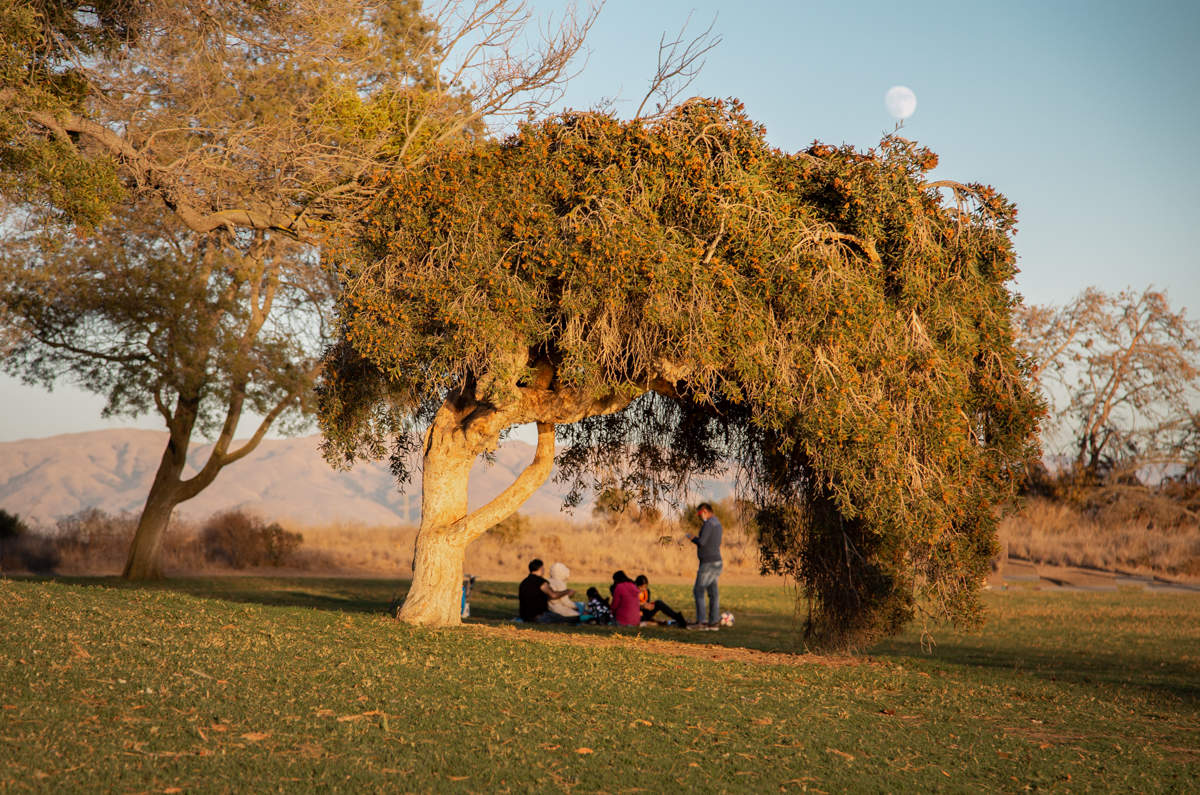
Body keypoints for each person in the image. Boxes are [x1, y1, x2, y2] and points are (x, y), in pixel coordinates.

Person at [685, 502, 723, 630]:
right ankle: (713, 623)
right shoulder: (718, 523)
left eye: (700, 514)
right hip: (717, 562)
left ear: (705, 511)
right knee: (713, 593)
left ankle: (701, 622)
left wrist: (692, 538)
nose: (700, 516)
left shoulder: (709, 524)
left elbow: (702, 542)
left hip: (708, 563)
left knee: (698, 590)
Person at [518, 558, 574, 623]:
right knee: (567, 619)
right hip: (538, 616)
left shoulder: (523, 582)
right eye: (543, 568)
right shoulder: (540, 582)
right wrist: (567, 591)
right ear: (540, 568)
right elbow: (553, 595)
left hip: (525, 617)